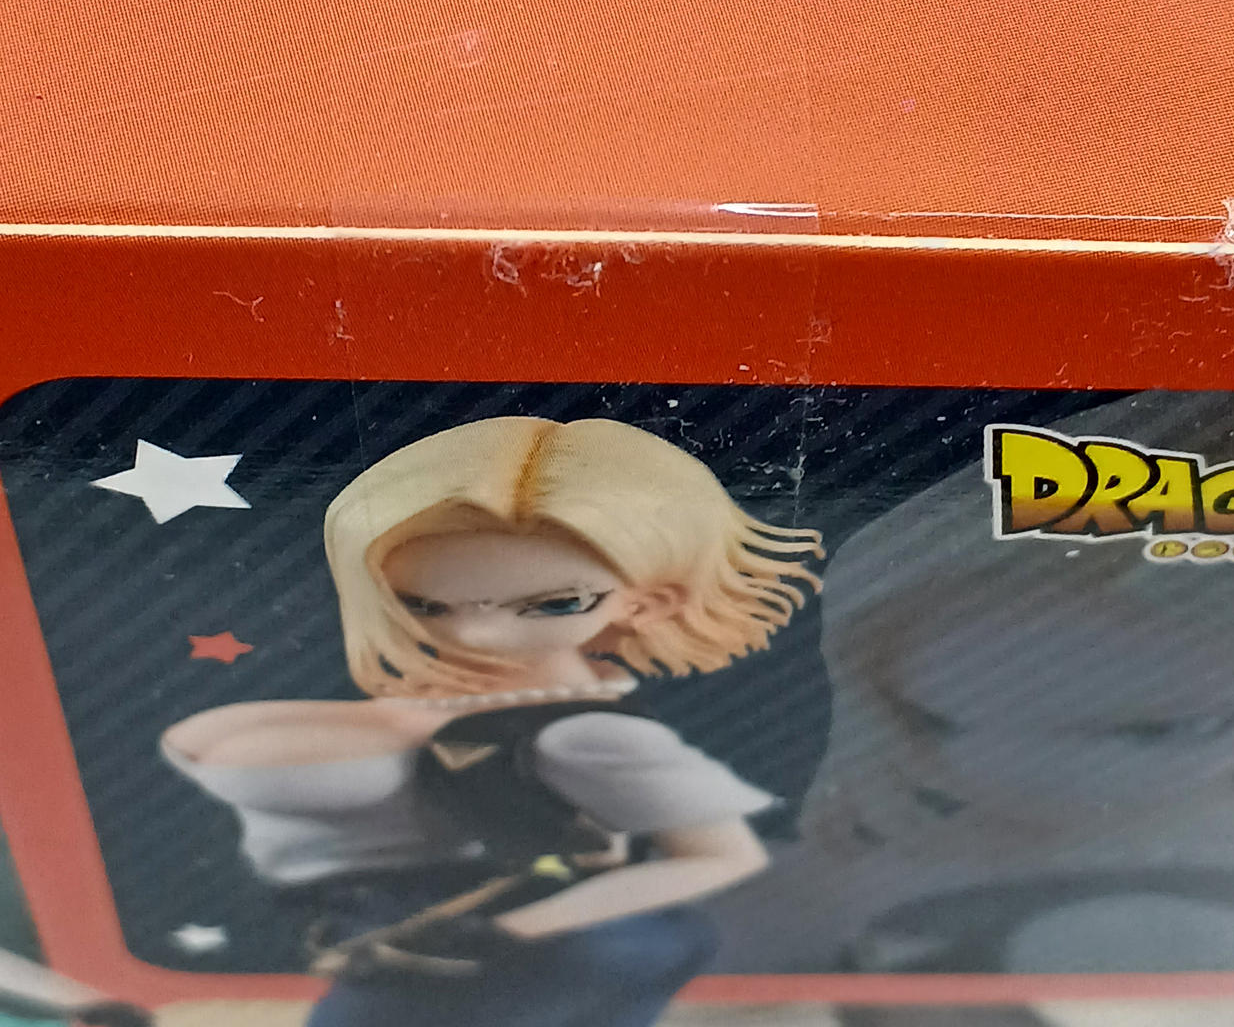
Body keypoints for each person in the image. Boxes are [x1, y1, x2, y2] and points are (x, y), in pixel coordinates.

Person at [160, 416, 823, 1027]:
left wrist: (507, 932)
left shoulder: (593, 735)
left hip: (485, 955)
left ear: (646, 603)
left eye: (555, 603)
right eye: (424, 603)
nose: (474, 633)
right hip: (372, 936)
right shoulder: (444, 696)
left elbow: (719, 857)